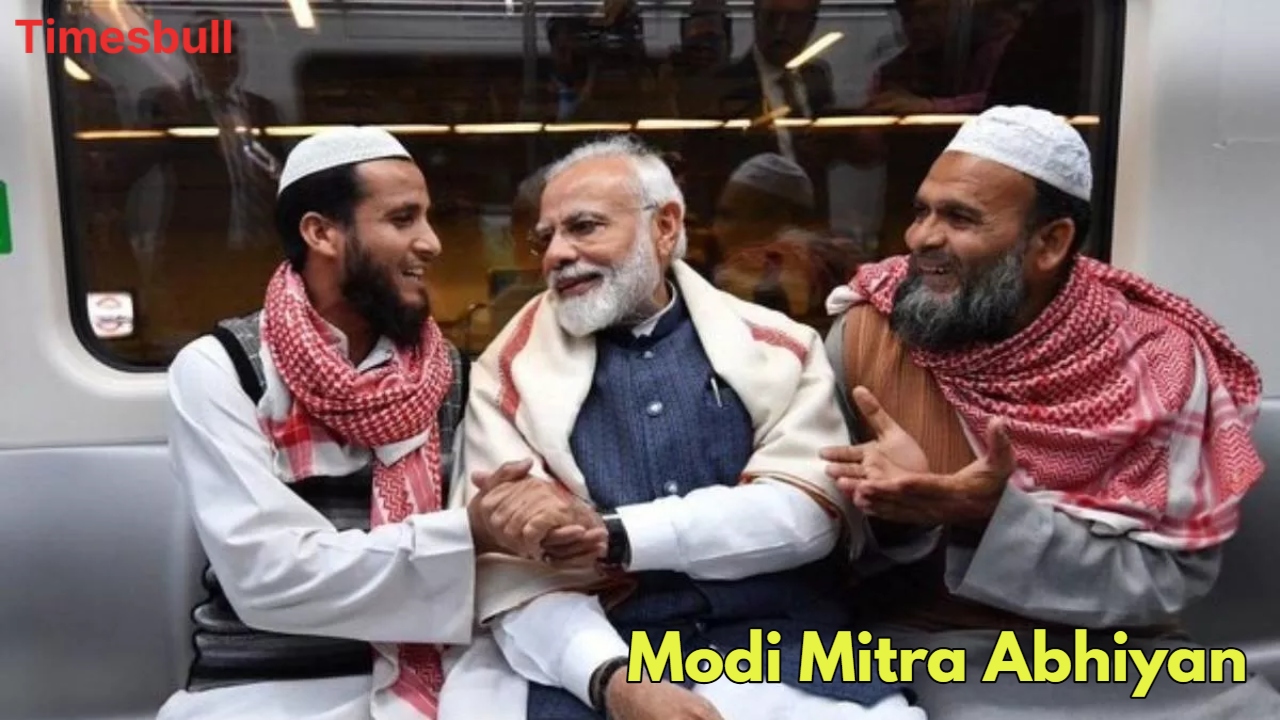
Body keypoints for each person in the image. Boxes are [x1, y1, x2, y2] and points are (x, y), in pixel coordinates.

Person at [437, 135, 925, 720]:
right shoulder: (505, 375)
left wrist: (613, 533)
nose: (556, 255)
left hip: (780, 648)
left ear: (665, 227)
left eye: (584, 227)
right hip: (596, 655)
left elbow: (803, 515)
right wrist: (615, 685)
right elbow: (513, 579)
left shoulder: (779, 347)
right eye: (546, 238)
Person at [821, 105, 1280, 718]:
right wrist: (898, 520)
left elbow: (1168, 583)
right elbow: (819, 556)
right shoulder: (865, 339)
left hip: (1124, 655)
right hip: (928, 645)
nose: (920, 239)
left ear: (1050, 242)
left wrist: (990, 517)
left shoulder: (1158, 361)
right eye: (921, 211)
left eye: (959, 217)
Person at [159, 126, 597, 720]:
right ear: (321, 233)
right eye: (402, 219)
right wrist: (466, 534)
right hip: (269, 686)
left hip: (449, 674)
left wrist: (543, 523)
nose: (432, 242)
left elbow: (505, 545)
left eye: (428, 218)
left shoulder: (453, 374)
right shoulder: (221, 370)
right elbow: (268, 577)